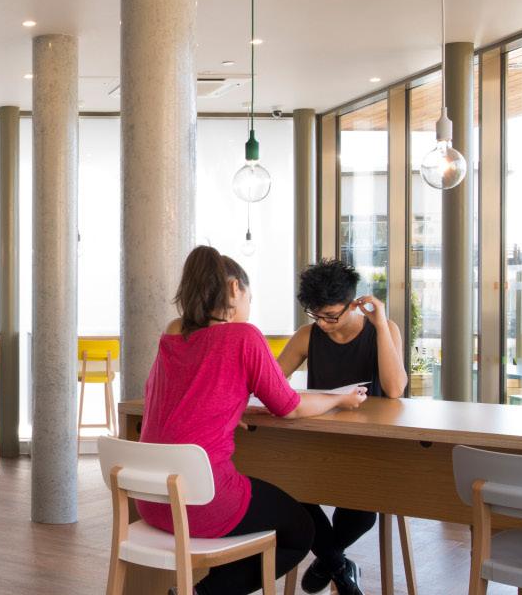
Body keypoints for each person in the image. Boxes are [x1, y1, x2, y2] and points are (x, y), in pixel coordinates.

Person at [140, 246, 368, 595]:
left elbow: (179, 397)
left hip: (151, 499)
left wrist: (230, 410)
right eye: (249, 297)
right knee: (299, 532)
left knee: (270, 509)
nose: (249, 305)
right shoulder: (244, 336)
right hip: (202, 501)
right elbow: (289, 406)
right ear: (235, 289)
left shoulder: (172, 332)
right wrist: (340, 398)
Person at [275, 260, 407, 595]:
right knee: (290, 494)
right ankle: (338, 566)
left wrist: (380, 325)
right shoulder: (308, 336)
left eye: (331, 316)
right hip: (319, 446)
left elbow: (395, 389)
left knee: (361, 514)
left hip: (369, 447)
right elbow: (271, 383)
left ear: (353, 304)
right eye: (316, 315)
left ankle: (328, 562)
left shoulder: (384, 330)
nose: (323, 323)